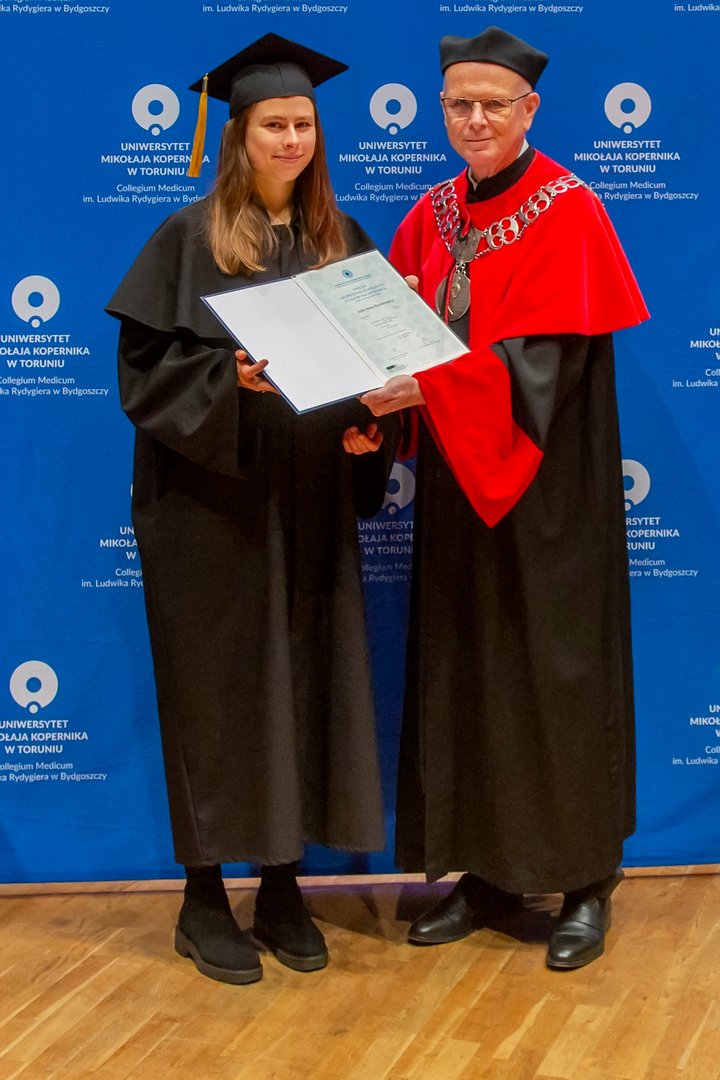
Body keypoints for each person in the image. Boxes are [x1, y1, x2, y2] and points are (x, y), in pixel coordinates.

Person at [106, 34, 396, 985]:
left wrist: (373, 429)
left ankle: (281, 887)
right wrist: (225, 378)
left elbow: (371, 369)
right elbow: (143, 376)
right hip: (209, 508)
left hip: (309, 499)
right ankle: (201, 898)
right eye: (274, 124)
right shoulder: (189, 238)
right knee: (215, 690)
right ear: (237, 134)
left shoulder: (340, 241)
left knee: (305, 681)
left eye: (303, 124)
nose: (291, 140)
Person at [361, 26, 649, 970]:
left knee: (555, 676)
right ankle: (485, 875)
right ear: (441, 110)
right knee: (468, 671)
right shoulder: (431, 213)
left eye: (493, 104)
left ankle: (585, 882)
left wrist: (430, 386)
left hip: (549, 492)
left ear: (530, 109)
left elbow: (544, 365)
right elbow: (398, 340)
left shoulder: (570, 209)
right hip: (459, 485)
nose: (475, 119)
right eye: (459, 104)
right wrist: (370, 399)